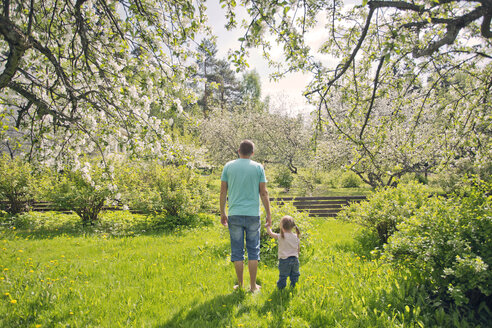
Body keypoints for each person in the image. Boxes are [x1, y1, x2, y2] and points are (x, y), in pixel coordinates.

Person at [220, 140, 272, 292]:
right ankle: (253, 286)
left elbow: (223, 191)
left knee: (237, 250)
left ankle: (241, 285)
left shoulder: (228, 166)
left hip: (234, 214)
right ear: (253, 153)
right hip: (252, 215)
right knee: (253, 250)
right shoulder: (258, 167)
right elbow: (263, 192)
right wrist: (268, 213)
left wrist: (222, 212)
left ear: (238, 151)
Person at [265, 215, 300, 289]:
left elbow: (270, 233)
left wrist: (267, 226)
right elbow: (298, 249)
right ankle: (293, 287)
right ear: (292, 226)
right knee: (295, 276)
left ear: (282, 226)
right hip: (295, 260)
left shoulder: (281, 236)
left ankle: (281, 289)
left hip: (284, 260)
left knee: (283, 276)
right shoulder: (296, 236)